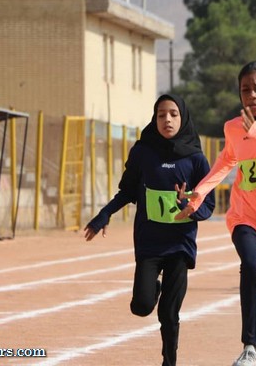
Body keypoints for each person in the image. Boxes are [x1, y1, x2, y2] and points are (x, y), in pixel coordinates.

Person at [175, 61, 256, 366]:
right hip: (246, 215)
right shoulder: (233, 127)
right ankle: (250, 347)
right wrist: (199, 194)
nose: (252, 96)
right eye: (245, 89)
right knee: (249, 265)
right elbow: (225, 163)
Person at [83, 94, 215, 366]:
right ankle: (152, 288)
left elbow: (208, 204)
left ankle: (169, 361)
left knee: (169, 313)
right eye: (161, 114)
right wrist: (104, 215)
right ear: (154, 119)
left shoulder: (196, 159)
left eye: (173, 114)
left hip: (180, 245)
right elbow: (127, 191)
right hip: (149, 243)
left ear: (183, 117)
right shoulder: (143, 152)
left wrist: (189, 205)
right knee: (141, 306)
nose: (167, 119)